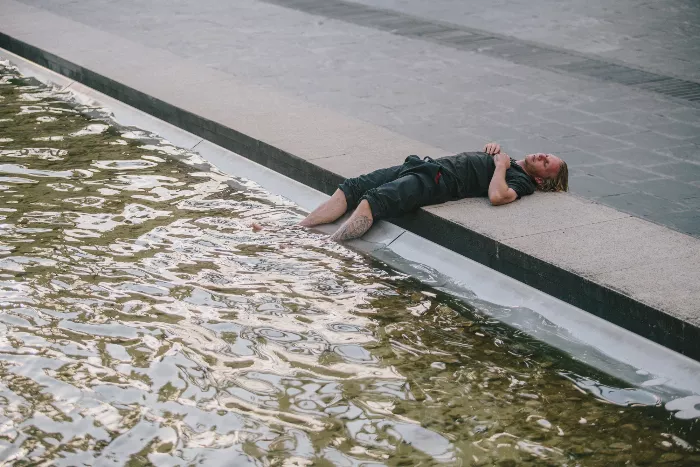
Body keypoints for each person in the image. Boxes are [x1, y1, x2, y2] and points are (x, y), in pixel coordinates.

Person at [299, 142, 569, 242]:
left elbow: (498, 197)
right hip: (424, 166)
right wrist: (496, 151)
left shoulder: (522, 182)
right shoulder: (509, 158)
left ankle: (327, 245)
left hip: (440, 182)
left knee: (375, 200)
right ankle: (300, 228)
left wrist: (500, 166)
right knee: (354, 186)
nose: (543, 155)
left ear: (543, 182)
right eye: (547, 154)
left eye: (547, 163)